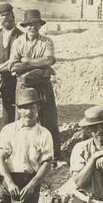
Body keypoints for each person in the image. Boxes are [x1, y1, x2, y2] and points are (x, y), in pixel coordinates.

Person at [8, 9, 60, 159]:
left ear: (40, 25)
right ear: (25, 26)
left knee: (49, 119)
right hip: (23, 85)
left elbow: (49, 60)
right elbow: (13, 66)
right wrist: (40, 67)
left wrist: (26, 61)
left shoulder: (47, 42)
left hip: (43, 85)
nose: (33, 27)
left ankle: (54, 154)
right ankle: (21, 154)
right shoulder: (18, 42)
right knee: (23, 119)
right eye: (30, 25)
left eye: (36, 24)